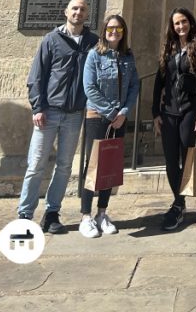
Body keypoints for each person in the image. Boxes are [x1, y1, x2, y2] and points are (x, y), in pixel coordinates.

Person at [17, 0, 98, 233]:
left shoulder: (92, 42)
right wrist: (37, 107)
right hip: (49, 112)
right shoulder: (52, 40)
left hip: (74, 114)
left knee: (64, 166)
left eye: (82, 9)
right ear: (66, 11)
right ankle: (25, 214)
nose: (78, 12)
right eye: (74, 8)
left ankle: (52, 213)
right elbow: (37, 76)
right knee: (36, 165)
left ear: (87, 14)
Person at [79, 13, 140, 237]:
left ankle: (102, 213)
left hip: (119, 117)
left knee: (111, 165)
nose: (114, 32)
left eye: (119, 29)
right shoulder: (94, 55)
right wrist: (112, 112)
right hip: (98, 115)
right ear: (104, 31)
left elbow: (134, 85)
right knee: (94, 164)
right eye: (110, 28)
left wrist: (123, 112)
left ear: (123, 32)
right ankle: (85, 216)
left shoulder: (128, 56)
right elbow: (90, 88)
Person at [152, 8, 196, 231]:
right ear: (172, 26)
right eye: (176, 23)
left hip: (189, 111)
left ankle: (178, 203)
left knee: (186, 157)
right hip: (168, 112)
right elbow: (159, 81)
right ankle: (179, 201)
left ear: (190, 23)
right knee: (170, 159)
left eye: (184, 22)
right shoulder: (169, 48)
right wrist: (155, 112)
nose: (181, 26)